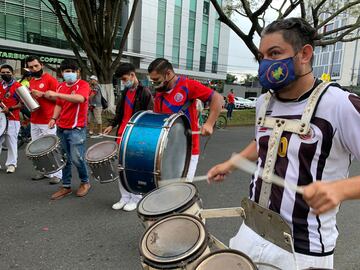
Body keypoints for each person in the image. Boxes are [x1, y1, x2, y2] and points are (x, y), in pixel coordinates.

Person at [207, 17, 360, 269]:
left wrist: (340, 190)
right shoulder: (263, 103)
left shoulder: (340, 104)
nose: (266, 63)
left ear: (304, 54)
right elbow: (263, 142)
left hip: (303, 248)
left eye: (275, 53)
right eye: (262, 56)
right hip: (252, 231)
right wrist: (231, 163)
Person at [148, 58, 223, 182]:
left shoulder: (188, 85)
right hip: (166, 150)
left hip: (187, 149)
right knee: (164, 189)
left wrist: (209, 124)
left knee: (182, 191)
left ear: (168, 74)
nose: (155, 84)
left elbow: (218, 98)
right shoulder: (159, 94)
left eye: (157, 80)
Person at [103, 63, 154, 211]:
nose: (124, 82)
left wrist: (143, 139)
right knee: (121, 168)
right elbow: (120, 113)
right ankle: (124, 197)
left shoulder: (145, 92)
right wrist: (111, 125)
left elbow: (148, 116)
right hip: (121, 135)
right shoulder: (125, 93)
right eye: (122, 80)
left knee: (134, 168)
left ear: (132, 75)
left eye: (125, 79)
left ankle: (136, 198)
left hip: (136, 137)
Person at [45, 59, 91, 200]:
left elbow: (79, 99)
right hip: (62, 127)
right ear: (62, 73)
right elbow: (59, 105)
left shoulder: (83, 84)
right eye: (66, 71)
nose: (69, 74)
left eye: (72, 71)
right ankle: (66, 186)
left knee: (77, 158)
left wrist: (57, 94)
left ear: (78, 72)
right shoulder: (60, 87)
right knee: (64, 159)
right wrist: (53, 118)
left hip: (76, 128)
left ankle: (85, 182)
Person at [25, 55, 62, 184]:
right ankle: (44, 171)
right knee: (37, 149)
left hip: (48, 120)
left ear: (42, 65)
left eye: (36, 66)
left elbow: (59, 100)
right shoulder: (31, 81)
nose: (34, 69)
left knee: (52, 148)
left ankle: (58, 174)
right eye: (31, 67)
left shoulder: (50, 80)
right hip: (34, 119)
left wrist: (42, 95)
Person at [0, 64, 22, 173]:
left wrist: (10, 108)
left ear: (12, 73)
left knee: (11, 142)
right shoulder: (0, 85)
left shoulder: (18, 86)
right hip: (0, 119)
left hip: (13, 119)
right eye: (3, 72)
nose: (5, 74)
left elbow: (22, 103)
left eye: (8, 72)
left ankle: (12, 164)